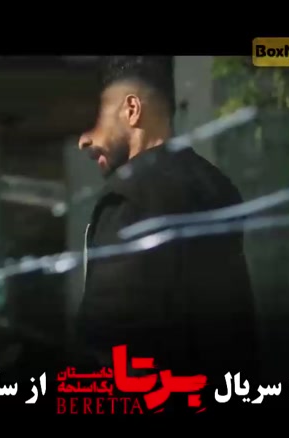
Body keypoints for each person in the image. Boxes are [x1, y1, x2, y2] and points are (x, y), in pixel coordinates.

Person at [74, 57, 259, 387]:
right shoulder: (217, 188)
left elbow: (108, 350)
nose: (83, 141)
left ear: (132, 110)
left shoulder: (127, 199)